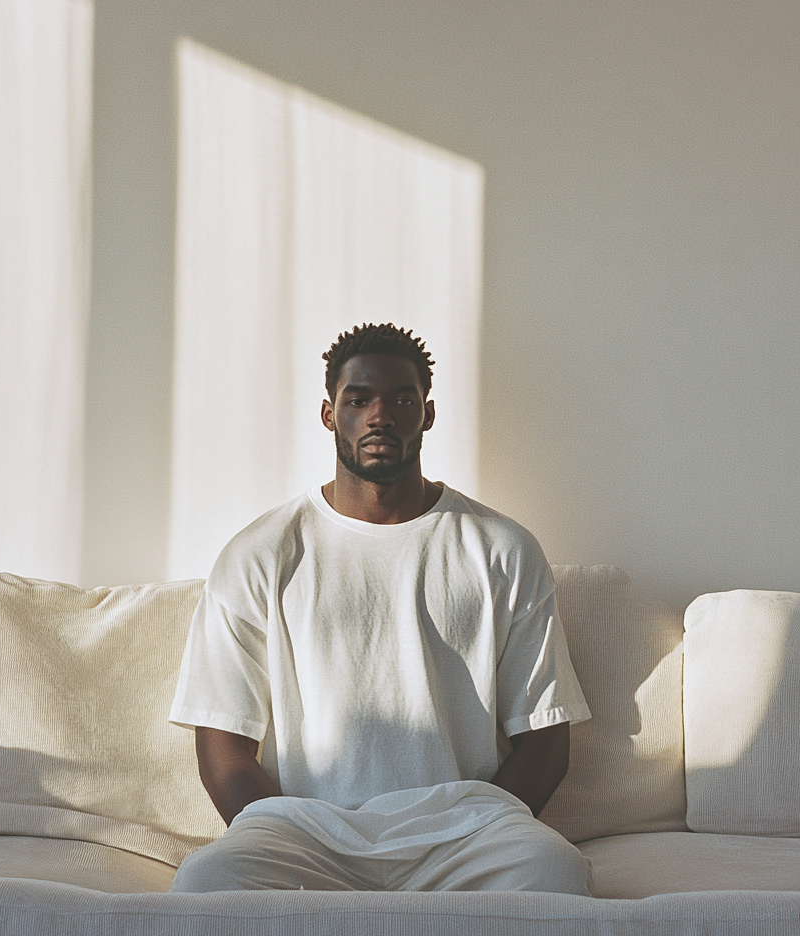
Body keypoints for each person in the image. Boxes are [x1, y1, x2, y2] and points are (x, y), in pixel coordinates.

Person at [168, 323, 592, 893]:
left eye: (400, 399)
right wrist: (280, 828)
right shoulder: (259, 554)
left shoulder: (502, 549)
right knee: (207, 880)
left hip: (464, 833)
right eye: (359, 399)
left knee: (554, 872)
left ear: (428, 413)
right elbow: (223, 741)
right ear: (328, 414)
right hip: (309, 835)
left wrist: (481, 823)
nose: (380, 415)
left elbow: (545, 738)